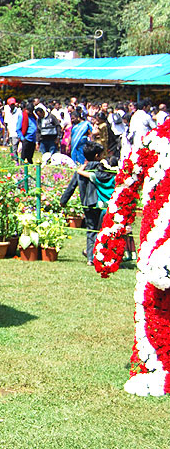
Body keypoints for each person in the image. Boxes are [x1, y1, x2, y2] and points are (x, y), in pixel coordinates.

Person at [92, 122, 170, 396]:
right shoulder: (155, 141)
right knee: (153, 303)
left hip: (157, 244)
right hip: (156, 247)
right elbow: (126, 186)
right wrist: (111, 235)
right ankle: (154, 364)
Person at [60, 141, 114, 265]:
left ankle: (90, 258)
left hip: (87, 203)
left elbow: (71, 186)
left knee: (91, 230)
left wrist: (63, 201)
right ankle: (101, 254)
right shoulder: (101, 167)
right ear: (96, 156)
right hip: (100, 202)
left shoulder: (81, 170)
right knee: (102, 229)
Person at [4, 98, 21, 162]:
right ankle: (14, 161)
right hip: (11, 133)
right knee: (12, 149)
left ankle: (16, 162)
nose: (12, 106)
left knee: (15, 149)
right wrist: (7, 136)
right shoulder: (8, 112)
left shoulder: (19, 112)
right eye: (11, 105)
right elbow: (7, 125)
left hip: (17, 133)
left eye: (13, 104)